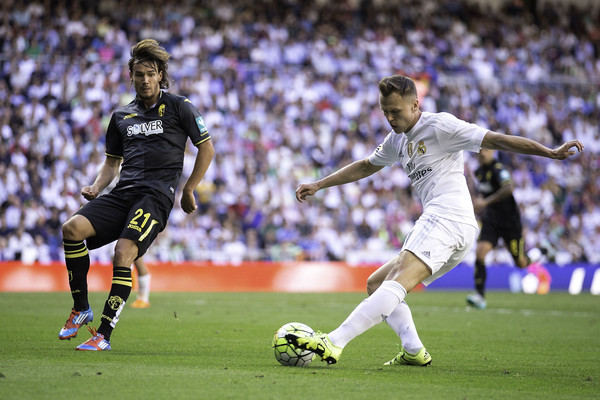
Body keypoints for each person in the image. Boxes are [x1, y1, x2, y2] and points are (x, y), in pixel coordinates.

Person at [287, 75, 583, 366]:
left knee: (396, 282)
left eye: (396, 111)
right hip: (453, 226)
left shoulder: (440, 125)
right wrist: (320, 184)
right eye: (385, 111)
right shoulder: (397, 140)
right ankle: (413, 349)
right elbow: (366, 165)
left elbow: (496, 139)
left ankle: (334, 341)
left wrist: (550, 152)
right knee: (376, 284)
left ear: (415, 105)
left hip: (447, 217)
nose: (390, 117)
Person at [58, 39, 215, 351]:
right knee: (71, 229)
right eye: (139, 74)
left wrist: (189, 188)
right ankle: (81, 307)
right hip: (123, 192)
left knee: (123, 252)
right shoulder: (121, 116)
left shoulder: (180, 107)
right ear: (130, 76)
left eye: (151, 74)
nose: (145, 79)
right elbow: (111, 163)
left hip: (155, 198)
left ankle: (103, 334)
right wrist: (96, 187)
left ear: (160, 76)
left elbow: (206, 148)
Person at [466, 148, 530, 309]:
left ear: (493, 152)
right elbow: (484, 194)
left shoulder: (499, 169)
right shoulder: (479, 172)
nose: (482, 153)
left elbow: (509, 188)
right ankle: (480, 296)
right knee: (480, 253)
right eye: (480, 150)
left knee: (521, 263)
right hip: (492, 221)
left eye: (486, 150)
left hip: (510, 222)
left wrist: (485, 202)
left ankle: (542, 252)